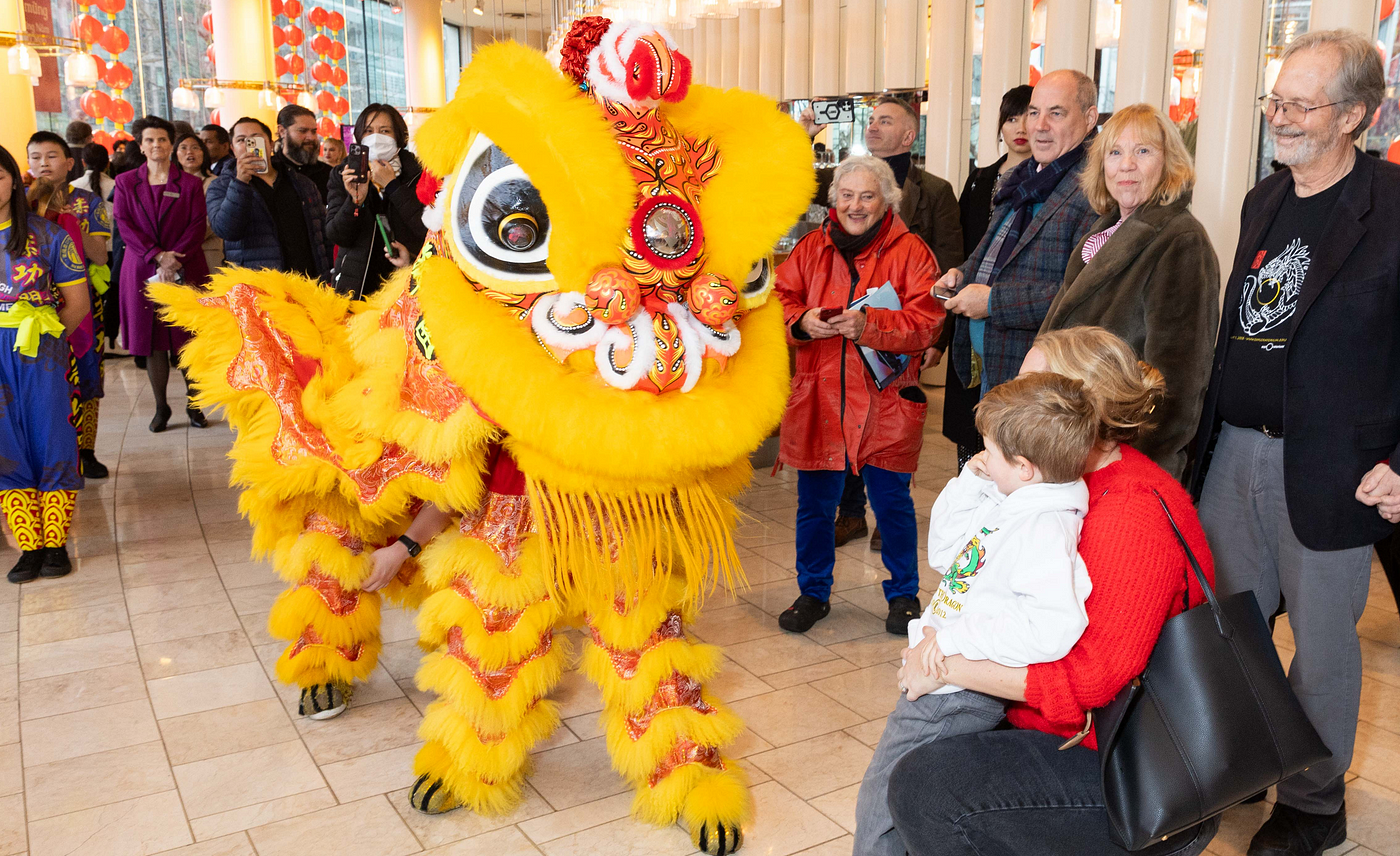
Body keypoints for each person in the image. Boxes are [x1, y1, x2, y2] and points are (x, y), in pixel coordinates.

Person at [885, 326, 1220, 856]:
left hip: (1126, 768)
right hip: (1063, 732)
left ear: (1071, 408)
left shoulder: (1133, 511)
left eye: (1028, 380)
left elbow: (1091, 680)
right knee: (918, 759)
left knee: (925, 786)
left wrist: (943, 663)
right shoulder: (1055, 483)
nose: (1011, 390)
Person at [1188, 30, 1400, 856]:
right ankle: (1250, 760)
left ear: (1357, 114)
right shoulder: (1264, 199)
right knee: (1228, 630)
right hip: (1233, 452)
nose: (1280, 118)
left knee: (1322, 653)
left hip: (1332, 471)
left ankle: (1315, 803)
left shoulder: (1392, 210)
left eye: (1301, 105)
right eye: (1276, 100)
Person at [854, 371, 1098, 856]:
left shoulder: (1043, 526)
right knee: (890, 797)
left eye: (988, 451)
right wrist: (972, 482)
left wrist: (949, 642)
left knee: (879, 803)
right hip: (944, 676)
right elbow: (946, 553)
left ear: (1025, 467)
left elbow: (1052, 626)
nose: (980, 457)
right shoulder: (1015, 499)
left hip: (956, 690)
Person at [773, 155, 944, 635]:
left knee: (892, 506)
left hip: (886, 405)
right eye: (846, 196)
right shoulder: (810, 247)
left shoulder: (911, 252)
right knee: (814, 506)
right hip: (820, 400)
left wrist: (870, 325)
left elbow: (928, 320)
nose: (855, 205)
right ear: (833, 200)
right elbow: (779, 300)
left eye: (867, 196)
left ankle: (904, 595)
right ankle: (812, 593)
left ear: (886, 200)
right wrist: (801, 321)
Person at [1041, 103, 1219, 479]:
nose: (1126, 165)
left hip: (1118, 459)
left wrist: (1132, 464)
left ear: (1169, 162)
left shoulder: (1181, 239)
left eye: (1143, 151)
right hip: (1068, 443)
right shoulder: (1100, 234)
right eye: (1115, 152)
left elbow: (1179, 383)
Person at [829, 95, 966, 550]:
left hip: (904, 328)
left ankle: (890, 515)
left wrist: (938, 338)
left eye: (884, 121)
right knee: (850, 421)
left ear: (908, 135)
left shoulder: (937, 191)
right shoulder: (848, 179)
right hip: (851, 328)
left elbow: (949, 265)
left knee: (896, 426)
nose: (872, 127)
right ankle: (850, 514)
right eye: (871, 120)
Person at [933, 70, 1100, 414]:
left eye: (1056, 113)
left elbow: (1080, 294)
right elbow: (990, 254)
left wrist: (994, 302)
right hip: (994, 365)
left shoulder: (1095, 191)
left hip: (1042, 381)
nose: (1038, 125)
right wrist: (961, 276)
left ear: (1089, 118)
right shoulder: (1021, 180)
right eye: (1034, 112)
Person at [932, 85, 1034, 472]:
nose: (1020, 127)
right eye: (1011, 118)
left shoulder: (1044, 185)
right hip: (968, 306)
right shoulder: (980, 179)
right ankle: (969, 481)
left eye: (1028, 115)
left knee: (1005, 421)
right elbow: (960, 245)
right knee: (968, 417)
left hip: (1010, 312)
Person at [0, 144, 88, 581]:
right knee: (5, 447)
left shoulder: (49, 235)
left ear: (14, 181)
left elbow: (76, 303)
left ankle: (55, 543)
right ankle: (27, 546)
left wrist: (48, 343)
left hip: (42, 352)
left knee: (52, 440)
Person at [112, 115, 211, 433]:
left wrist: (173, 259)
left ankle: (195, 403)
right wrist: (156, 256)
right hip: (142, 267)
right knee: (153, 339)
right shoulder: (126, 182)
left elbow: (198, 225)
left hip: (186, 264)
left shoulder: (191, 183)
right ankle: (161, 407)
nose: (157, 145)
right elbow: (124, 224)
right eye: (150, 140)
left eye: (163, 140)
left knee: (187, 338)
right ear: (141, 146)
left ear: (172, 144)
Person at [26, 132, 112, 479]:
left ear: (70, 163)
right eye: (35, 157)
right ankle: (46, 451)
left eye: (51, 156)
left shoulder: (88, 203)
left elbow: (100, 254)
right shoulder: (19, 204)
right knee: (42, 380)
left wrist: (70, 223)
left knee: (88, 372)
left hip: (83, 302)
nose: (43, 163)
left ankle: (86, 450)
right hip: (33, 307)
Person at [206, 117, 331, 280]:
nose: (248, 144)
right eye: (241, 140)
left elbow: (321, 233)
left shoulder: (301, 182)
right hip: (257, 285)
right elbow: (227, 230)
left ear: (270, 144)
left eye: (256, 138)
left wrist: (328, 273)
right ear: (233, 148)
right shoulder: (221, 186)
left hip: (307, 281)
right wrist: (240, 182)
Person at [324, 103, 425, 299]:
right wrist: (355, 201)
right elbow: (337, 235)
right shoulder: (343, 174)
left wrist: (392, 185)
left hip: (407, 284)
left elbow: (426, 228)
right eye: (368, 131)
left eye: (385, 131)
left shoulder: (418, 174)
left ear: (399, 137)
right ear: (360, 138)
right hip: (357, 287)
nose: (376, 138)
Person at [175, 133, 224, 275]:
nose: (189, 152)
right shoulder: (169, 185)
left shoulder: (215, 182)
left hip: (206, 252)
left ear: (204, 153)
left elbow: (210, 221)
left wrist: (182, 244)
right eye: (183, 148)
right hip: (174, 256)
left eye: (195, 148)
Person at [274, 104, 331, 199]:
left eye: (313, 131)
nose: (311, 138)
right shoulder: (271, 171)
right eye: (302, 131)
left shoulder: (328, 174)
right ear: (282, 131)